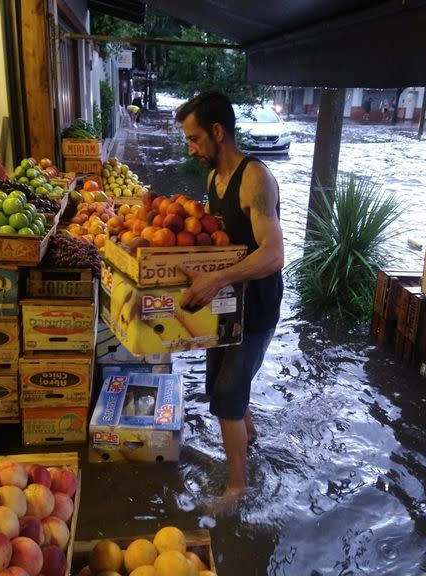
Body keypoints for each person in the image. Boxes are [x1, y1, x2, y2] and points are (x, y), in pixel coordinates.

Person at [174, 91, 284, 499]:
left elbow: (274, 254)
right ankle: (250, 435)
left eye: (195, 138)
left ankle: (238, 487)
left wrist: (218, 279)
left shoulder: (254, 178)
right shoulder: (212, 180)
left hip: (255, 306)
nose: (191, 148)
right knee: (219, 385)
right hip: (225, 303)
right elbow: (220, 242)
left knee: (226, 395)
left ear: (218, 132)